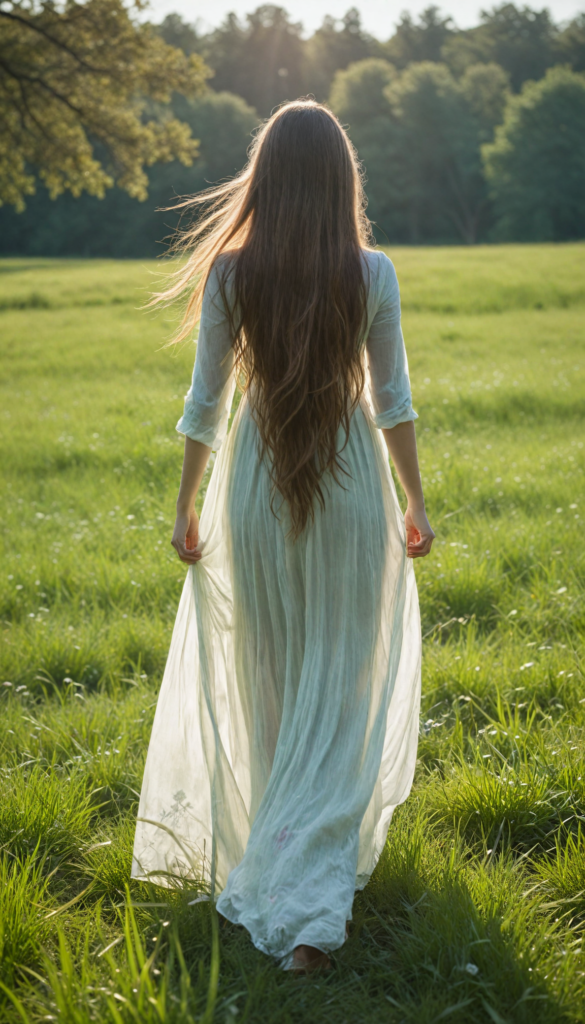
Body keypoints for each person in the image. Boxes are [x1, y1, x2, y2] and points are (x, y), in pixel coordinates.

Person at [132, 99, 435, 974]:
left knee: (267, 683)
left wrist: (186, 503)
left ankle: (285, 868)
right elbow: (394, 405)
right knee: (340, 694)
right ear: (344, 182)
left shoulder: (230, 275)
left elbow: (204, 406)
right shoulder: (371, 272)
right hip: (350, 500)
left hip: (255, 495)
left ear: (264, 179)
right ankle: (310, 904)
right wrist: (415, 501)